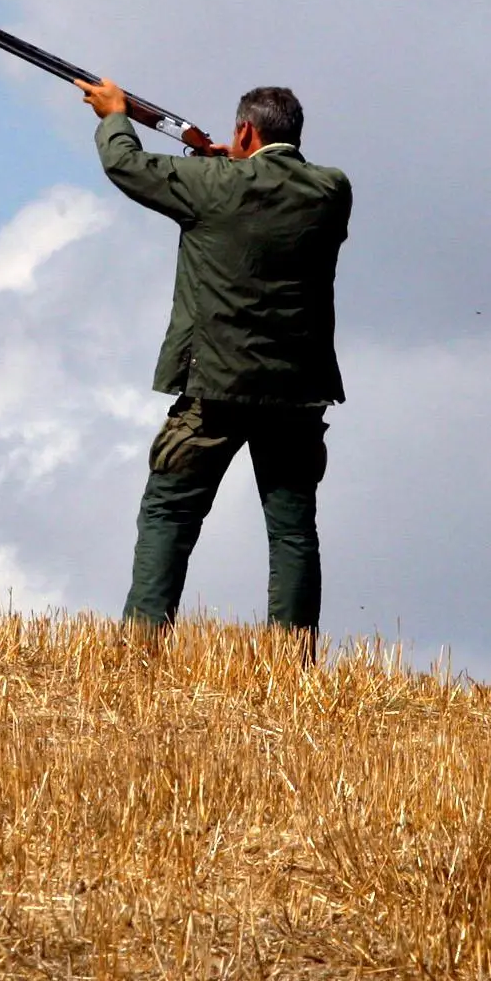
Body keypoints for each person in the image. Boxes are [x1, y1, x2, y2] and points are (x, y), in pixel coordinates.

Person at [76, 73, 351, 636]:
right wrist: (235, 161)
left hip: (214, 387)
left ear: (244, 130)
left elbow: (127, 166)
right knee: (293, 530)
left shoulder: (211, 184)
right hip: (297, 390)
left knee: (169, 513)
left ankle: (142, 647)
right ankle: (292, 663)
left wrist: (113, 114)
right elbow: (267, 188)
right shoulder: (331, 191)